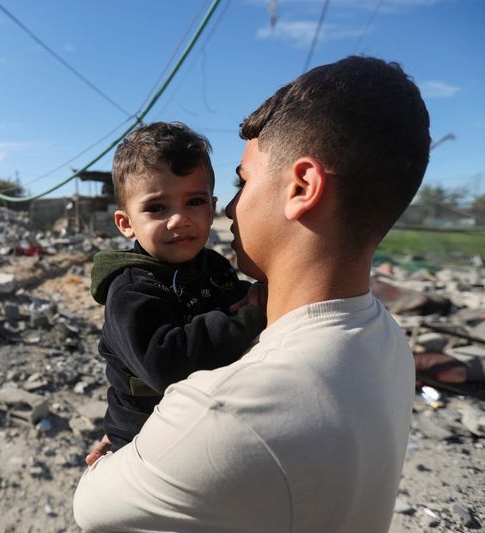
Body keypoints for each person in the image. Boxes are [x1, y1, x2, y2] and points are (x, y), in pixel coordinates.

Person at [74, 56, 430, 532]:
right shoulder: (386, 341)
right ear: (126, 223)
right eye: (158, 207)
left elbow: (92, 507)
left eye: (241, 183)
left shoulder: (225, 415)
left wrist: (118, 461)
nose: (229, 211)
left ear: (302, 186)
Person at [87, 121, 266, 462]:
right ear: (126, 224)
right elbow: (165, 363)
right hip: (146, 438)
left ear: (212, 207)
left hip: (198, 423)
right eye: (156, 207)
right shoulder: (131, 289)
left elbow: (232, 299)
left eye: (194, 201)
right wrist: (249, 318)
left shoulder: (213, 266)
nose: (179, 219)